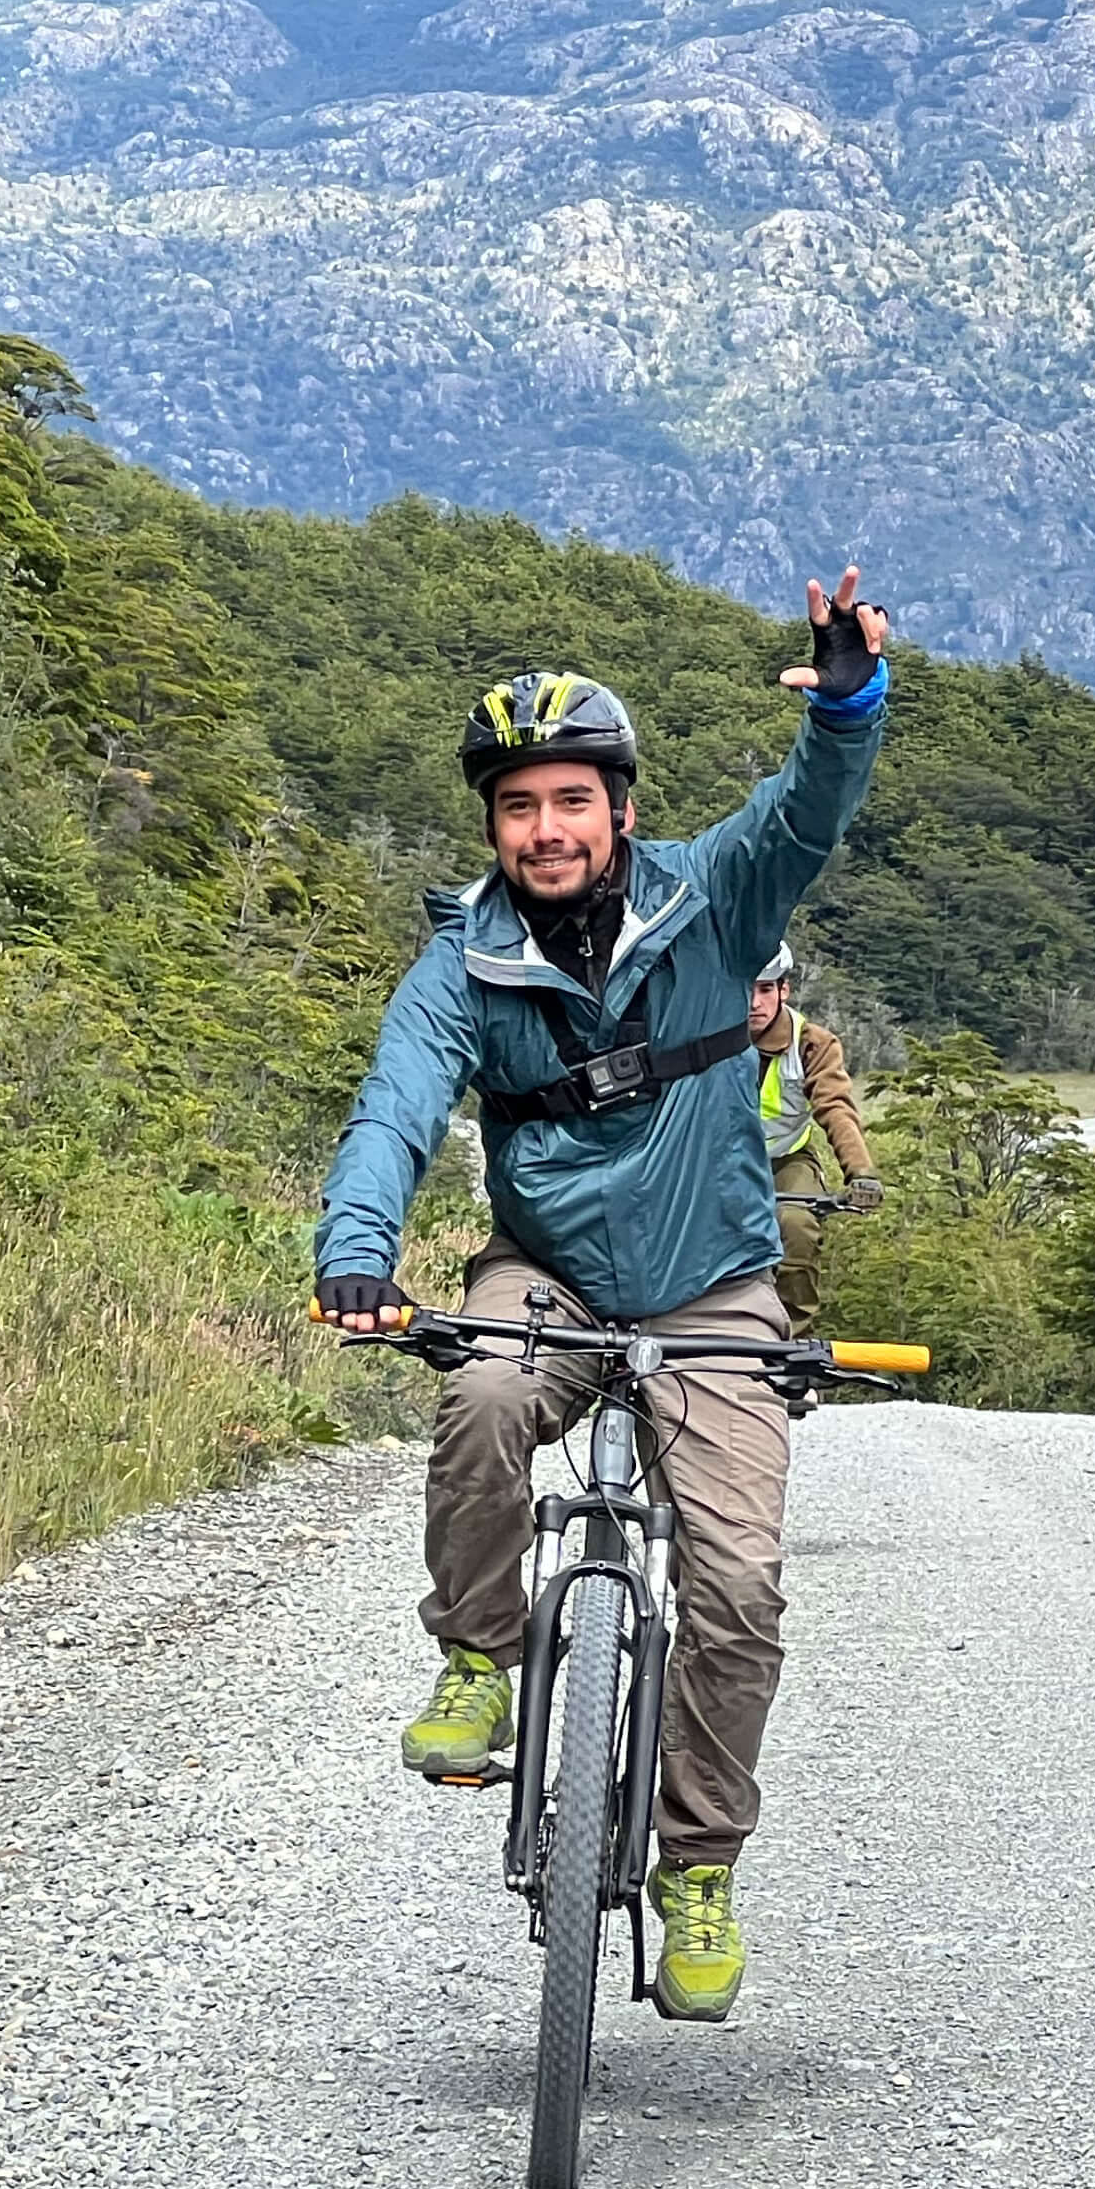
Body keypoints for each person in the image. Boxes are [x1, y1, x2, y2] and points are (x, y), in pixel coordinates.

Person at [310, 574, 896, 2026]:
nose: (548, 829)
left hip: (714, 1284)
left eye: (573, 799)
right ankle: (476, 1655)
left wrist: (846, 703)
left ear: (619, 808)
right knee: (486, 1390)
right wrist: (358, 1249)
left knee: (741, 1582)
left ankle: (697, 1864)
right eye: (520, 808)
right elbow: (395, 1109)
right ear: (495, 827)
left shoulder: (716, 899)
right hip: (549, 1274)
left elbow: (809, 812)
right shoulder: (462, 963)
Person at [748, 939, 884, 1333]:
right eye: (746, 988)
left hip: (785, 1157)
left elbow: (835, 1106)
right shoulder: (706, 1032)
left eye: (766, 989)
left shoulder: (812, 1043)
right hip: (716, 1160)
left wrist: (861, 1172)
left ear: (784, 990)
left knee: (796, 1225)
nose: (754, 1002)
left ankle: (791, 1343)